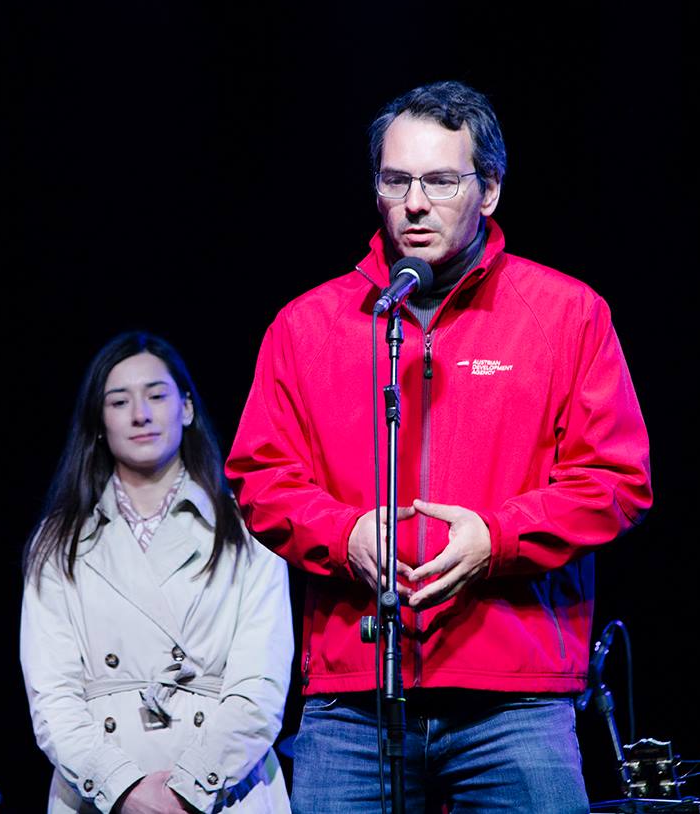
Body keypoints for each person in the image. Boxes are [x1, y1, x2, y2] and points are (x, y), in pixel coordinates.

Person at [226, 81, 652, 812]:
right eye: (396, 181)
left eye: (440, 181)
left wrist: (499, 538)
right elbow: (260, 478)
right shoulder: (306, 326)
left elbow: (615, 480)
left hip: (514, 703)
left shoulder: (566, 314)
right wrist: (344, 534)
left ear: (489, 190)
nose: (414, 203)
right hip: (353, 706)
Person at [21, 332, 292, 814]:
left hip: (225, 785)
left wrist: (191, 786)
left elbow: (261, 687)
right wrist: (124, 788)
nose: (140, 414)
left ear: (186, 408)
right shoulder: (59, 542)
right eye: (119, 401)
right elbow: (53, 698)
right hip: (101, 790)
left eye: (156, 395)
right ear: (99, 423)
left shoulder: (248, 530)